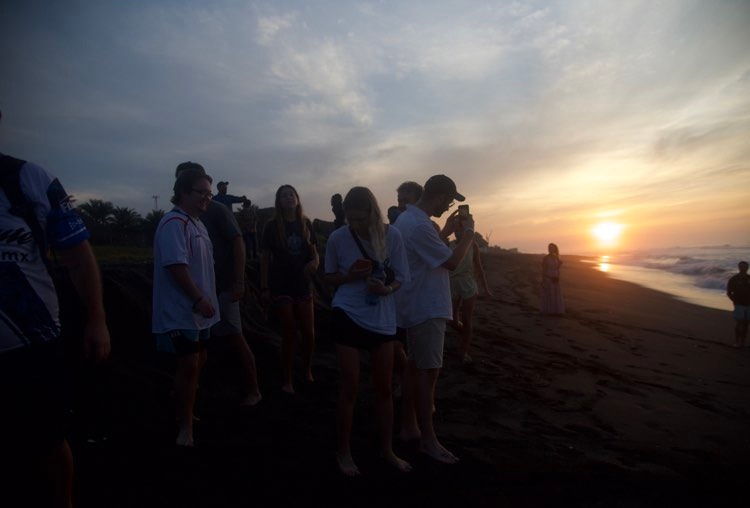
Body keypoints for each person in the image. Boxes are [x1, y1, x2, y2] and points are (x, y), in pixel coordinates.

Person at [1, 140, 111, 505]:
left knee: (47, 437)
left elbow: (78, 256)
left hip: (32, 342)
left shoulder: (29, 179)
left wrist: (96, 319)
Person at [323, 187, 412, 476]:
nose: (356, 225)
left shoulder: (392, 236)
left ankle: (387, 450)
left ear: (372, 213)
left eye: (360, 219)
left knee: (384, 389)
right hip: (347, 312)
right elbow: (328, 277)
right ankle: (343, 452)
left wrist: (386, 288)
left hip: (382, 317)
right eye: (351, 220)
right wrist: (350, 276)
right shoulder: (338, 237)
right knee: (350, 387)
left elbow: (401, 277)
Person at [394, 174, 475, 464]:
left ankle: (408, 427)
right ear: (439, 197)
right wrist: (467, 235)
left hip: (415, 304)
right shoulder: (418, 225)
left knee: (414, 369)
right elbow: (451, 262)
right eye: (449, 201)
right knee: (429, 374)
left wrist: (446, 231)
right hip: (426, 306)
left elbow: (424, 253)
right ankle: (428, 440)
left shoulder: (409, 221)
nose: (449, 206)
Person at [175, 163, 262, 407]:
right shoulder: (182, 216)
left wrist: (239, 281)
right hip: (196, 293)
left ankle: (254, 389)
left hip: (222, 287)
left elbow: (238, 242)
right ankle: (195, 389)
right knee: (199, 345)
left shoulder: (215, 209)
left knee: (234, 336)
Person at [152, 169, 219, 446]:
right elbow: (177, 267)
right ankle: (185, 425)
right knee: (189, 365)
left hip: (200, 312)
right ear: (183, 193)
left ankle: (185, 408)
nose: (206, 198)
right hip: (182, 311)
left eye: (209, 193)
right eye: (201, 192)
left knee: (198, 362)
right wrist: (198, 299)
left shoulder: (198, 224)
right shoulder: (173, 223)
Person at [260, 185, 319, 394]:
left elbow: (314, 253)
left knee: (309, 333)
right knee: (289, 332)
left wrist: (315, 263)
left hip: (302, 285)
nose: (288, 198)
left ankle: (307, 369)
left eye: (291, 194)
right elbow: (265, 258)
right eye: (283, 195)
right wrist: (264, 286)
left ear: (297, 199)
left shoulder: (306, 223)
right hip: (280, 285)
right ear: (278, 201)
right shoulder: (272, 226)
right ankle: (287, 379)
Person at [449, 227, 492, 364]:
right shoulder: (449, 245)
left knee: (467, 319)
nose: (458, 232)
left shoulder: (472, 245)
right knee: (452, 320)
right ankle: (466, 335)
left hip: (468, 283)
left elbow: (479, 267)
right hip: (453, 283)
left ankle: (464, 352)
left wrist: (485, 289)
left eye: (461, 230)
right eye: (457, 230)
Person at [726, 261, 750, 348]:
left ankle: (743, 342)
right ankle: (737, 342)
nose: (744, 268)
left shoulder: (749, 278)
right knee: (739, 322)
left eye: (746, 267)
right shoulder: (734, 279)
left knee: (746, 323)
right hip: (739, 304)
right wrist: (734, 301)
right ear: (739, 268)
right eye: (742, 267)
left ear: (748, 268)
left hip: (749, 304)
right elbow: (729, 292)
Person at [540, 243, 565, 315]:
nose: (550, 249)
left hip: (556, 277)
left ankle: (555, 311)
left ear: (555, 249)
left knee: (556, 294)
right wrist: (543, 279)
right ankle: (549, 311)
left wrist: (559, 265)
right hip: (548, 276)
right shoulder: (545, 258)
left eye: (552, 248)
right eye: (549, 248)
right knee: (549, 294)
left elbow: (557, 268)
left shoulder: (556, 257)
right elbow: (544, 269)